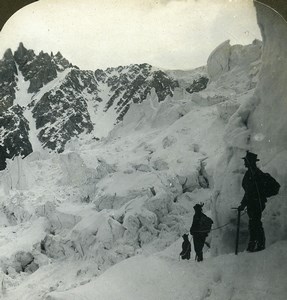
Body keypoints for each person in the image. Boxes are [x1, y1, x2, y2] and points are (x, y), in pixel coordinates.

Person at [238, 151, 267, 252]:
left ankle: (258, 244)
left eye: (246, 161)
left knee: (255, 223)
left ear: (250, 161)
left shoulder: (254, 174)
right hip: (254, 203)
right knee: (254, 222)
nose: (244, 163)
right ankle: (256, 243)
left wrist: (243, 204)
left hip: (255, 203)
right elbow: (248, 192)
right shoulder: (253, 173)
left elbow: (249, 192)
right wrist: (243, 204)